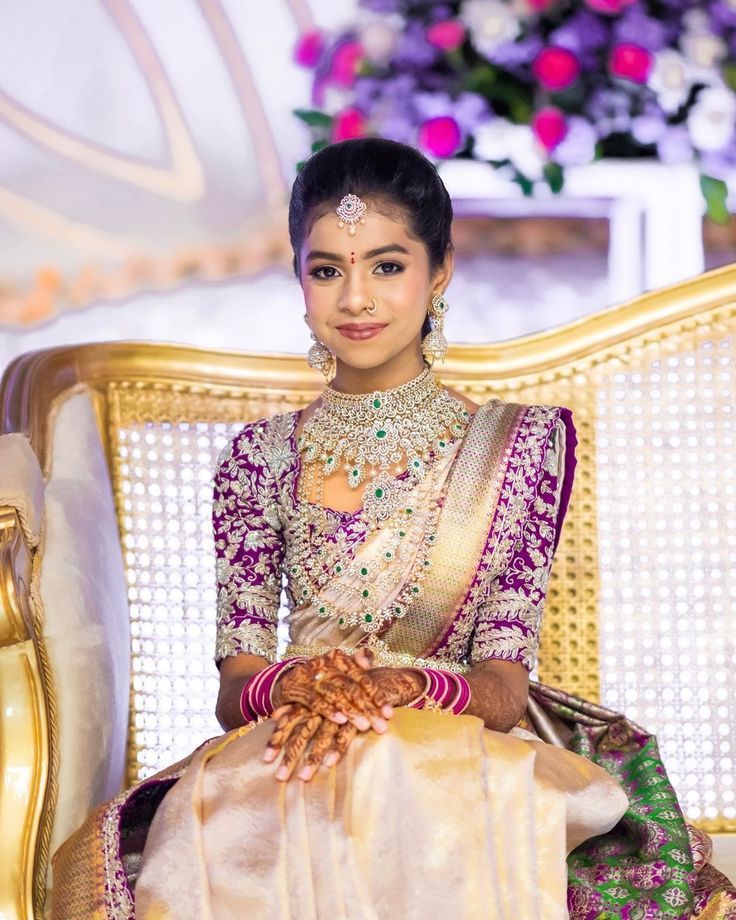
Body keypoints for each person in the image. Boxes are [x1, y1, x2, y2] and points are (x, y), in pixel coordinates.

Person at [52, 138, 735, 919]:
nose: (355, 299)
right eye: (326, 269)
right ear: (299, 277)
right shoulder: (257, 460)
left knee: (399, 782)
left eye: (386, 265)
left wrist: (403, 686)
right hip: (297, 745)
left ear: (439, 270)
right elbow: (237, 689)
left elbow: (505, 691)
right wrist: (303, 686)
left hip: (454, 743)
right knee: (232, 820)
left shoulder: (521, 450)